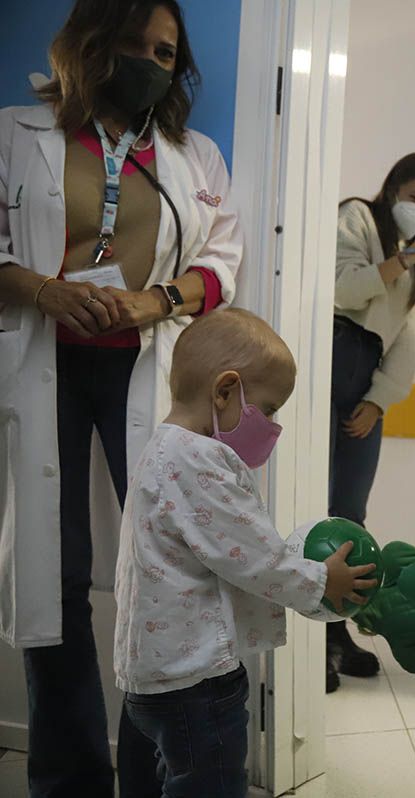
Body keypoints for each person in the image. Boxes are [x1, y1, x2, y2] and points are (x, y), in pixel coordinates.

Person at [0, 2, 242, 794]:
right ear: (90, 44)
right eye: (135, 43)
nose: (150, 60)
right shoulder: (16, 131)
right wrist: (43, 290)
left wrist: (158, 298)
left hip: (147, 367)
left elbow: (224, 261)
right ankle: (67, 777)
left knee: (160, 568)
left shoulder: (193, 154)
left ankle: (149, 772)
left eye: (166, 51)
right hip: (47, 371)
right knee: (56, 577)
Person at [114, 308, 378, 797]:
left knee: (151, 782)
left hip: (153, 677)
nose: (273, 424)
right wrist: (323, 580)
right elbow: (256, 559)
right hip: (194, 680)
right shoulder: (199, 461)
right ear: (225, 390)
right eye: (270, 407)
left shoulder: (163, 449)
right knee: (210, 784)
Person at [327, 153, 415, 692]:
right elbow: (342, 289)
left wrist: (379, 400)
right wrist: (406, 256)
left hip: (368, 375)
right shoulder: (358, 216)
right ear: (392, 191)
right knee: (308, 502)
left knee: (351, 513)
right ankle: (305, 646)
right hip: (330, 354)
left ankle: (335, 634)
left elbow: (409, 336)